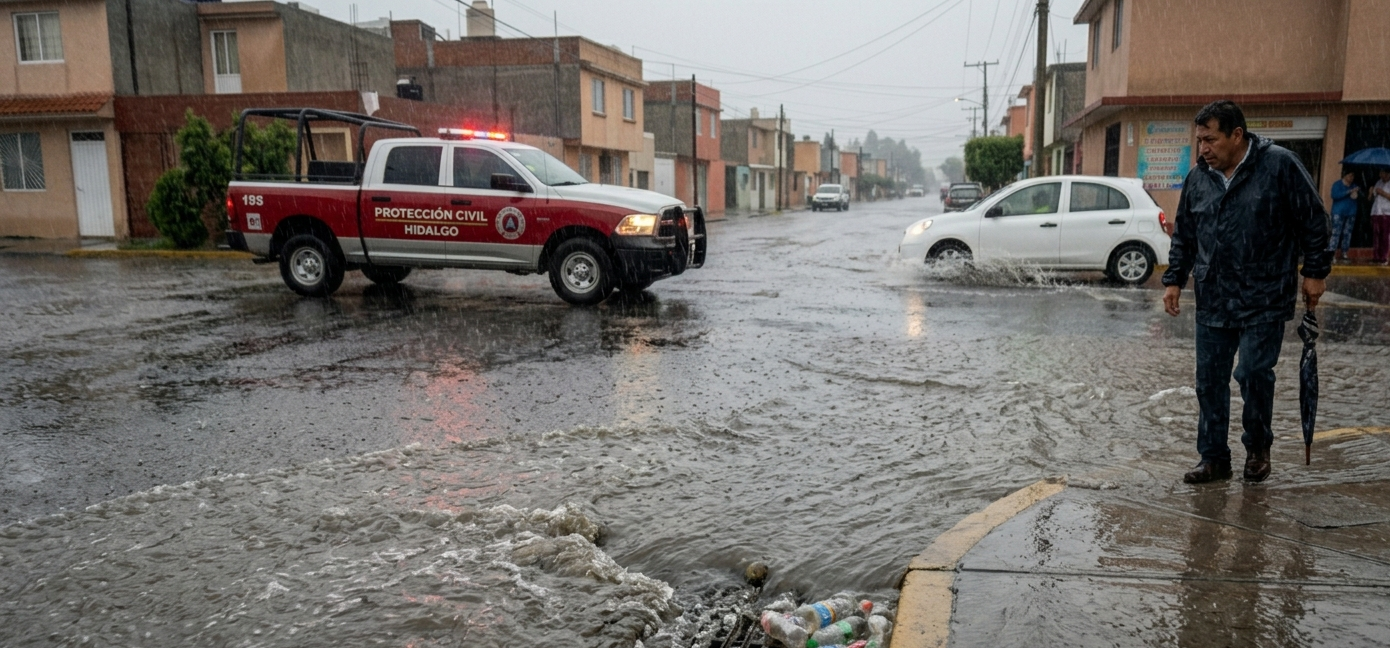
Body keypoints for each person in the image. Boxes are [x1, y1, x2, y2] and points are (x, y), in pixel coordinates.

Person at [1161, 100, 1330, 484]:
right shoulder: (1198, 178)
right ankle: (1214, 457)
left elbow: (1314, 221)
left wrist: (1315, 272)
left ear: (1237, 135)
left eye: (1210, 139)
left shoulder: (1279, 165)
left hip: (1265, 294)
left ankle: (1257, 448)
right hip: (1214, 295)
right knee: (1209, 381)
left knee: (1253, 372)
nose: (1203, 148)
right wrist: (1174, 279)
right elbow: (1185, 233)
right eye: (1199, 139)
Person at [1328, 170, 1360, 263]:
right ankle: (1331, 252)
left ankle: (1344, 252)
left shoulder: (1354, 186)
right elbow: (1334, 195)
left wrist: (1355, 193)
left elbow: (1356, 197)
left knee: (1347, 233)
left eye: (1352, 176)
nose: (1351, 178)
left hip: (1350, 213)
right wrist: (1348, 192)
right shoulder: (1337, 185)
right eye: (1350, 176)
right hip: (1338, 212)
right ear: (1345, 176)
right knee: (1335, 233)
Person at [1371, 168, 1390, 264]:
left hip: (1387, 213)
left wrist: (1383, 193)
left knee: (1385, 236)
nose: (1381, 175)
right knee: (1376, 235)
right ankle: (1376, 256)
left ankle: (1383, 257)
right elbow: (1372, 196)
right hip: (1376, 211)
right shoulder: (1378, 182)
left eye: (1383, 173)